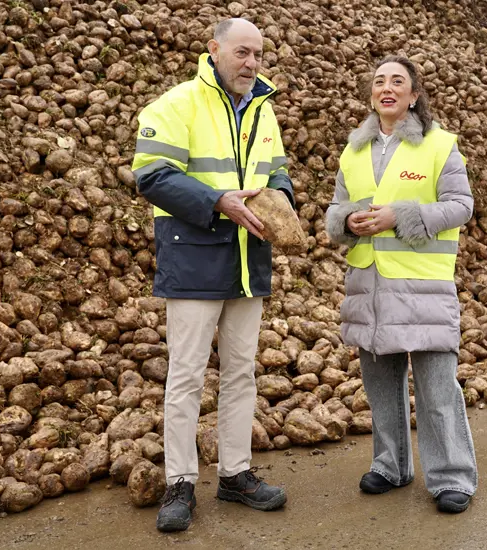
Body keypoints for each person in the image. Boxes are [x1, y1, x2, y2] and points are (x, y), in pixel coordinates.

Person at [131, 18, 293, 532]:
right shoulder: (175, 104)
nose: (251, 63)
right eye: (242, 52)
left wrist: (283, 199)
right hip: (196, 255)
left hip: (249, 259)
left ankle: (235, 474)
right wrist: (218, 201)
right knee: (186, 375)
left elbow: (277, 168)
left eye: (258, 55)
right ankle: (180, 482)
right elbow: (152, 175)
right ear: (214, 50)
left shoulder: (264, 110)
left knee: (242, 370)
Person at [324, 55, 478, 513]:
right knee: (381, 385)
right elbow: (335, 212)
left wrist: (399, 216)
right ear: (372, 94)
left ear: (413, 96)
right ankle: (390, 466)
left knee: (436, 387)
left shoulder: (439, 145)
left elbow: (460, 206)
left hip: (423, 288)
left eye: (397, 82)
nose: (386, 88)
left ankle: (452, 477)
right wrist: (347, 220)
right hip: (369, 286)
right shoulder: (352, 152)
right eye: (378, 82)